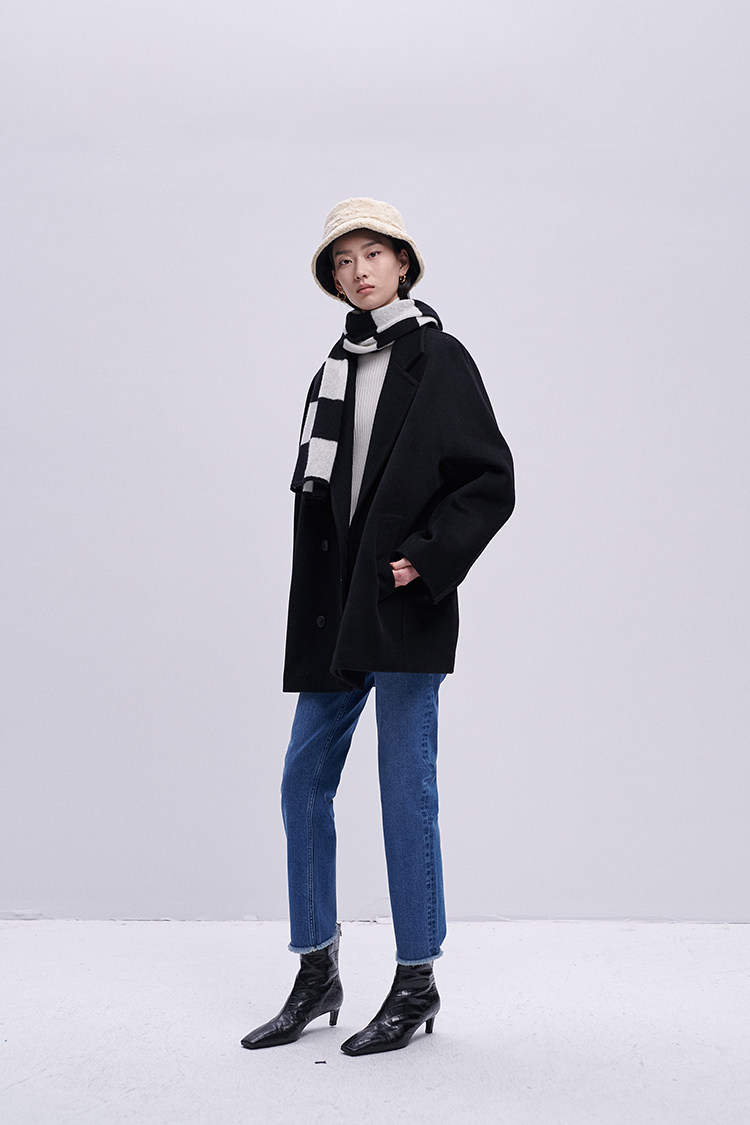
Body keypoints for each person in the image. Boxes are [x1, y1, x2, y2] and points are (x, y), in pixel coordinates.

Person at [241, 198, 515, 1056]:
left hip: (401, 604)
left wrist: (422, 561)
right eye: (343, 261)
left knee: (406, 790)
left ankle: (416, 978)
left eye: (372, 254)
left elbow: (489, 479)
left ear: (402, 262)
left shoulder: (440, 357)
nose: (358, 271)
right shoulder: (332, 370)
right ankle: (316, 969)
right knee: (302, 781)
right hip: (335, 609)